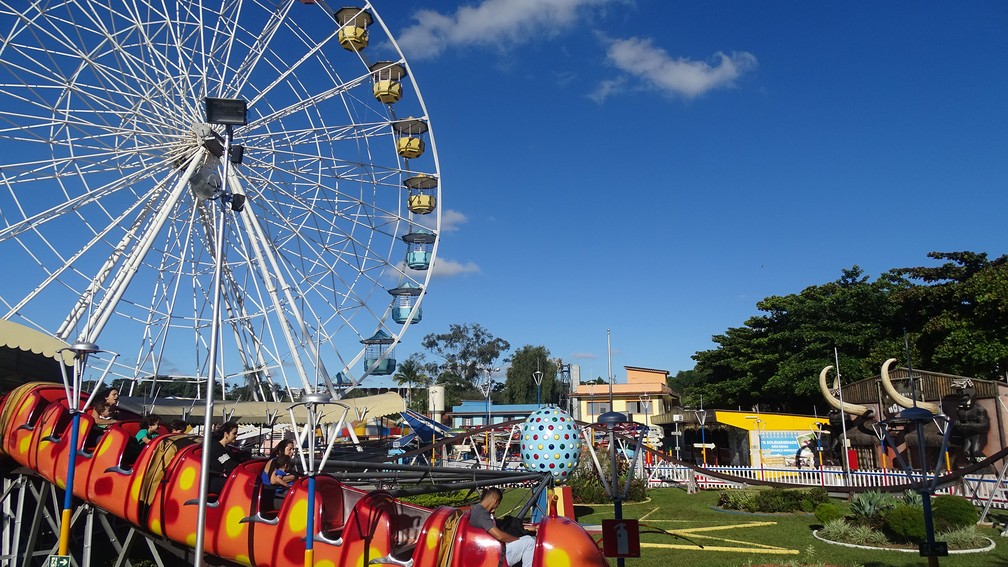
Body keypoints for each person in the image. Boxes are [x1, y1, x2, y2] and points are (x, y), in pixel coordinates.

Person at [470, 487, 536, 567]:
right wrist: (517, 539)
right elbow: (499, 536)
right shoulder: (481, 514)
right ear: (496, 501)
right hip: (495, 555)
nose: (495, 509)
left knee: (528, 538)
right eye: (497, 506)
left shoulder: (477, 509)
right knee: (529, 542)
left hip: (490, 549)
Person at [208, 420, 241, 495]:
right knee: (236, 485)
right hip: (212, 479)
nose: (236, 436)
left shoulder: (227, 448)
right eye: (234, 433)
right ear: (226, 434)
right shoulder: (215, 446)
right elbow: (228, 464)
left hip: (220, 477)